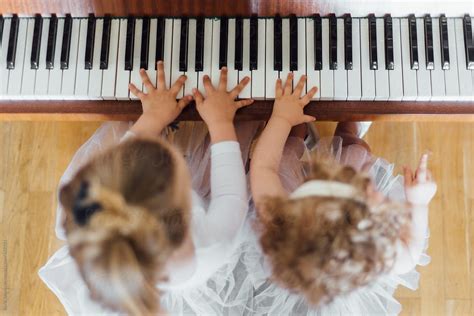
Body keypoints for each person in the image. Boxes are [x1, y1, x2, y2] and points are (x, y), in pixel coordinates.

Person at [38, 62, 261, 315]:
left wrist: (152, 118)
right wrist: (221, 123)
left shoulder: (89, 210)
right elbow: (230, 198)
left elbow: (118, 160)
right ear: (184, 201)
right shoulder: (208, 247)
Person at [244, 73, 436, 315]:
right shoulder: (376, 250)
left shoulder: (278, 217)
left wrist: (282, 117)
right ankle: (349, 126)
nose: (377, 190)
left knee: (284, 148)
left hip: (299, 219)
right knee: (355, 150)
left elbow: (264, 166)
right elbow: (411, 251)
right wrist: (419, 203)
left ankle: (297, 129)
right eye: (370, 191)